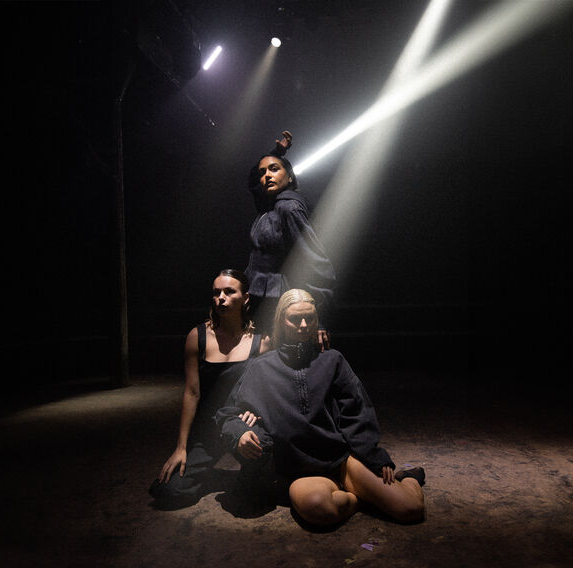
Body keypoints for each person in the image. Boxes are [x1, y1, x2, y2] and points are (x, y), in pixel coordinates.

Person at [216, 289, 425, 527]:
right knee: (318, 509)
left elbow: (356, 411)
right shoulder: (261, 368)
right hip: (300, 471)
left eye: (310, 318)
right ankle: (362, 499)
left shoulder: (332, 360)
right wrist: (240, 433)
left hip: (341, 461)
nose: (304, 325)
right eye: (295, 319)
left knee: (411, 509)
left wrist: (374, 456)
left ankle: (409, 480)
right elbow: (228, 414)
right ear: (281, 322)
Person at [149, 269, 268, 509]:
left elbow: (265, 391)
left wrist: (256, 411)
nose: (220, 298)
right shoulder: (198, 336)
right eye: (216, 293)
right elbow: (192, 393)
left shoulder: (261, 342)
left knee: (258, 494)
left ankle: (247, 478)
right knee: (168, 491)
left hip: (240, 427)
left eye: (229, 292)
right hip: (207, 430)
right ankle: (208, 474)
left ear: (245, 298)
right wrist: (181, 447)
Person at [244, 131, 336, 348]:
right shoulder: (269, 206)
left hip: (279, 306)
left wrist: (319, 319)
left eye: (274, 169)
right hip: (259, 301)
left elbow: (317, 264)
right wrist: (276, 153)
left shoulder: (289, 208)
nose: (266, 175)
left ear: (290, 176)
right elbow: (251, 182)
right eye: (263, 172)